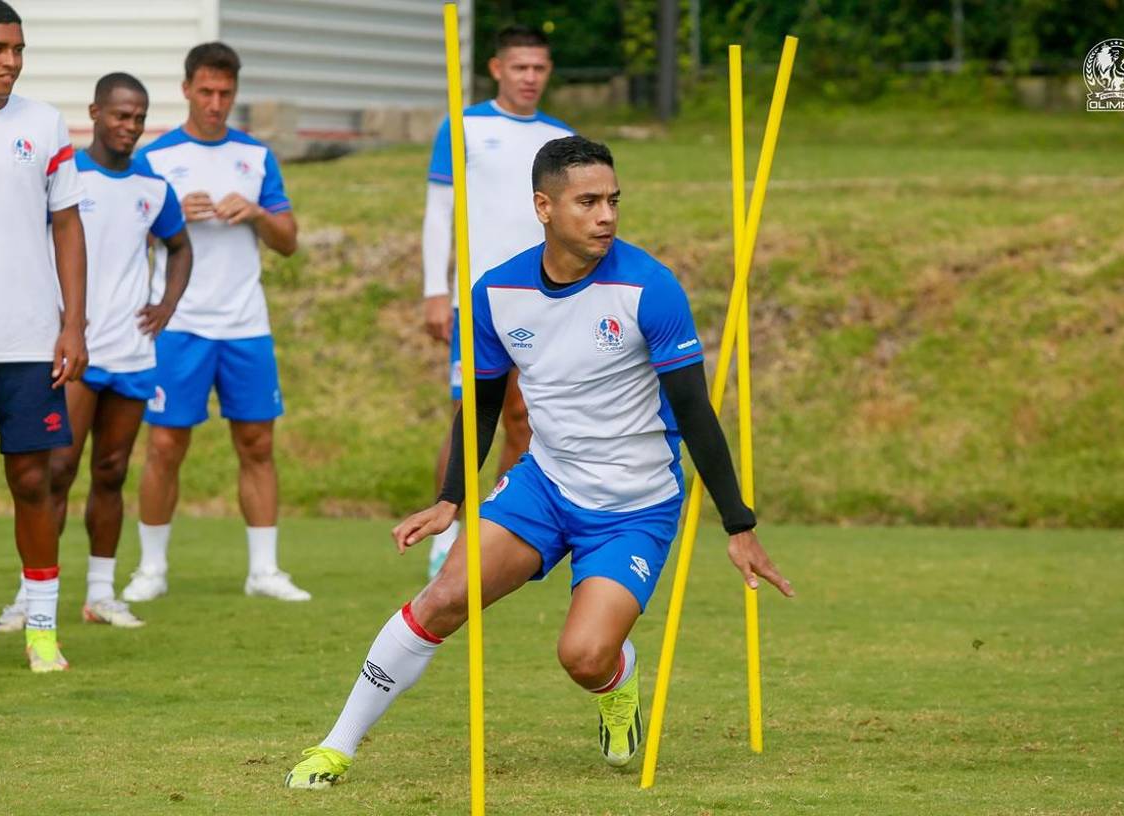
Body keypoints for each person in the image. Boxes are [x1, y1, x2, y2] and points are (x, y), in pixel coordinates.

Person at [284, 137, 795, 789]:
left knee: (582, 657)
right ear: (544, 207)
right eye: (588, 201)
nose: (606, 215)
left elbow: (696, 412)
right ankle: (336, 746)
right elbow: (483, 406)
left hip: (632, 510)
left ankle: (617, 680)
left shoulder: (650, 288)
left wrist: (738, 524)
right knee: (443, 598)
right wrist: (451, 497)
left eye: (613, 200)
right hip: (544, 488)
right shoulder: (497, 292)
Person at [0, 72, 192, 632]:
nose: (130, 127)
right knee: (56, 471)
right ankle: (29, 598)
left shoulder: (153, 190)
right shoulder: (66, 177)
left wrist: (166, 307)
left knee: (112, 470)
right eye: (121, 115)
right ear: (96, 113)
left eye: (139, 117)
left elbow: (180, 248)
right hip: (73, 352)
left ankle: (102, 593)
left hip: (132, 354)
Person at [119, 42, 309, 603]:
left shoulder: (256, 156)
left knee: (256, 443)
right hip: (177, 324)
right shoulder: (155, 158)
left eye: (225, 93)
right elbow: (128, 235)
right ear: (186, 90)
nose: (215, 103)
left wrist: (253, 214)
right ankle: (151, 569)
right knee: (165, 445)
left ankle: (264, 571)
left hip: (245, 324)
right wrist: (173, 215)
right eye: (205, 91)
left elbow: (289, 241)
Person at [0, 0, 88, 672]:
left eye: (18, 49)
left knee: (34, 481)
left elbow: (67, 224)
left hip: (29, 341)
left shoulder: (43, 124)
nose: (9, 61)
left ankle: (41, 629)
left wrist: (72, 322)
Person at [421, 24, 573, 579]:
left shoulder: (561, 137)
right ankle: (448, 529)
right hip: (478, 301)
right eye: (520, 67)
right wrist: (434, 289)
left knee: (524, 418)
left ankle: (503, 530)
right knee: (471, 412)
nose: (530, 78)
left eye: (539, 68)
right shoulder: (463, 125)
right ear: (496, 68)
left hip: (545, 300)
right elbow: (440, 211)